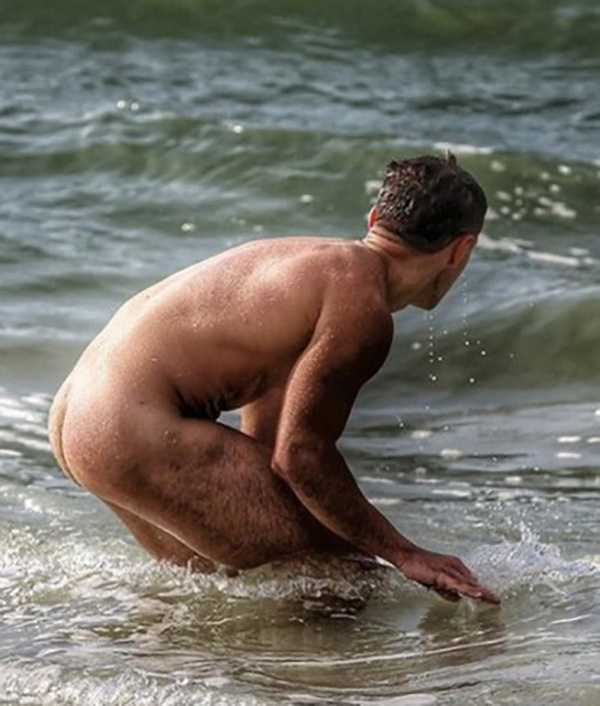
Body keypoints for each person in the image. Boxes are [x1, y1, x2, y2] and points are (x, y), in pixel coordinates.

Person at [48, 154, 499, 604]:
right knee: (345, 580)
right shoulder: (362, 308)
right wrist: (405, 554)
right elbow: (301, 455)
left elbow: (270, 450)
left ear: (374, 218)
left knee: (234, 587)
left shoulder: (315, 265)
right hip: (128, 428)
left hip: (83, 419)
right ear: (460, 250)